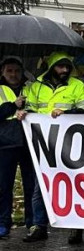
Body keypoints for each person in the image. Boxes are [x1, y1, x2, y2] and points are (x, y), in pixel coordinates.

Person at [23, 52, 84, 243]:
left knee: (74, 185)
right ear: (51, 67)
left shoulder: (77, 86)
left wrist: (67, 113)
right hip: (43, 144)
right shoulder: (36, 87)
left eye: (67, 67)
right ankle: (40, 226)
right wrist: (24, 113)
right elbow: (30, 109)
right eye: (60, 67)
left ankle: (76, 228)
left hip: (70, 144)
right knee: (41, 186)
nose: (64, 70)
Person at [0, 57, 33, 239]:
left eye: (17, 71)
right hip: (5, 144)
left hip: (28, 144)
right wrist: (13, 106)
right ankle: (3, 223)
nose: (13, 75)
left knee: (30, 185)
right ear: (3, 73)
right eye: (9, 71)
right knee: (4, 187)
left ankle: (32, 222)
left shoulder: (30, 88)